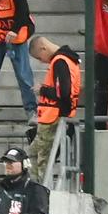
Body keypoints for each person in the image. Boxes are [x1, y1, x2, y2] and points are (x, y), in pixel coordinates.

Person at [29, 35, 81, 175]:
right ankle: (38, 189)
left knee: (42, 163)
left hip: (53, 118)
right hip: (53, 117)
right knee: (33, 155)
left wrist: (42, 90)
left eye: (39, 58)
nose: (42, 62)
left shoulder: (60, 62)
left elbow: (64, 92)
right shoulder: (68, 60)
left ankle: (42, 192)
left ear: (43, 48)